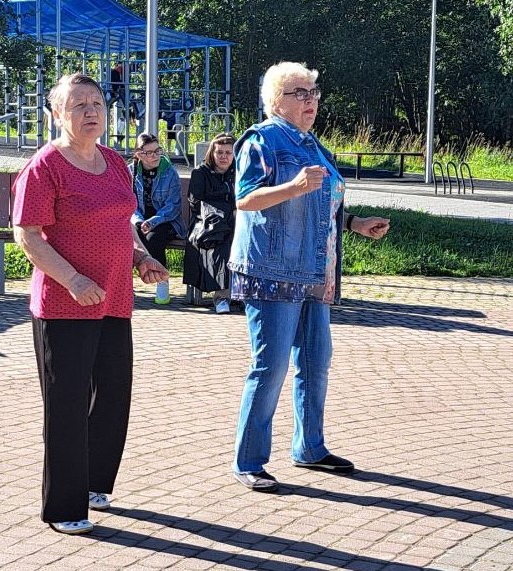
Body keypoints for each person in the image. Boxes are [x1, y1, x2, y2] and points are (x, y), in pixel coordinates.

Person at [12, 73, 168, 534]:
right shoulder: (44, 166)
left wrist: (141, 257)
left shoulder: (114, 162)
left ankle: (95, 483)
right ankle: (64, 506)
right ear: (56, 114)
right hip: (65, 303)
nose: (90, 111)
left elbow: (124, 222)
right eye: (78, 104)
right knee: (67, 403)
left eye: (97, 103)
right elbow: (28, 235)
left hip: (114, 297)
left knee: (112, 396)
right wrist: (73, 279)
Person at [229, 61, 390, 492]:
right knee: (271, 367)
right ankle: (249, 461)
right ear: (275, 101)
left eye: (313, 93)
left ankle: (310, 447)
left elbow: (323, 206)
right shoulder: (261, 139)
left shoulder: (315, 145)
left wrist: (354, 223)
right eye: (299, 93)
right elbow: (245, 199)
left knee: (316, 362)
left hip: (315, 272)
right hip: (273, 271)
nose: (310, 101)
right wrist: (293, 187)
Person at [130, 133, 186, 304]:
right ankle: (124, 283)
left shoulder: (169, 172)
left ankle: (162, 281)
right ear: (139, 154)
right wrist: (139, 221)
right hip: (138, 219)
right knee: (125, 237)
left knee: (153, 238)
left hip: (166, 221)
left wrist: (152, 221)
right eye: (149, 152)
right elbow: (128, 203)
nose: (155, 156)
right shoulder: (130, 172)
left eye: (157, 151)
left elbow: (173, 207)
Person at [183, 132, 237, 314]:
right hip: (206, 225)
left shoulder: (239, 173)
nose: (223, 157)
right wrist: (224, 211)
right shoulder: (200, 173)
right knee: (222, 242)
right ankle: (222, 298)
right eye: (219, 152)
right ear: (212, 153)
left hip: (235, 223)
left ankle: (246, 294)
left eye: (228, 152)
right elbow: (195, 203)